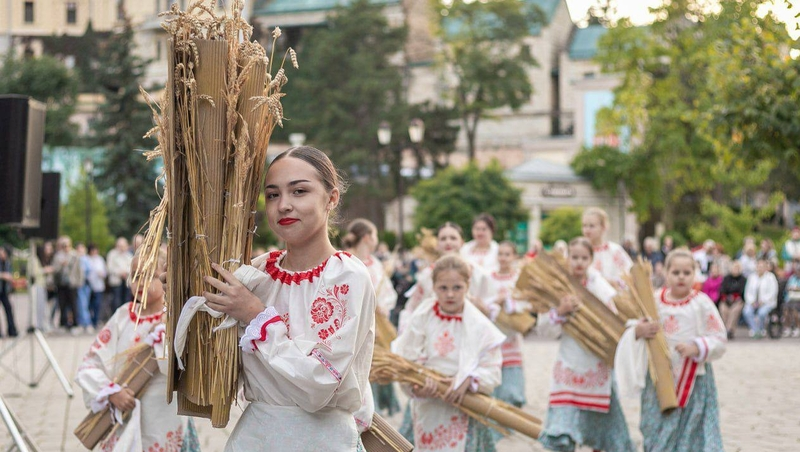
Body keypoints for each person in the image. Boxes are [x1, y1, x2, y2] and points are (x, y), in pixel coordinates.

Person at [196, 146, 375, 450]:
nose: (284, 206)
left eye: (299, 191)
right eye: (273, 195)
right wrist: (188, 291)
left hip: (320, 440)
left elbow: (317, 387)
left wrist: (257, 317)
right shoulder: (257, 273)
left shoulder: (347, 277)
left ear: (331, 198)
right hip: (254, 437)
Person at [75, 250, 200, 451]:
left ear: (168, 276)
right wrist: (110, 391)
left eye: (149, 274)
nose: (140, 282)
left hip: (165, 417)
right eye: (135, 275)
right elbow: (91, 362)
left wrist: (164, 340)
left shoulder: (177, 318)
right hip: (124, 416)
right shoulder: (123, 316)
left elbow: (184, 370)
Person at [616, 248, 726, 452]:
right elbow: (633, 326)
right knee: (655, 425)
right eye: (676, 273)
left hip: (695, 379)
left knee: (693, 426)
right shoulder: (653, 301)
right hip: (659, 377)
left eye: (687, 273)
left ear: (694, 274)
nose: (681, 277)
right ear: (666, 273)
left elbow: (719, 337)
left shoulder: (701, 303)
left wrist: (698, 347)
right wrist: (639, 330)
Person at [392, 254, 505, 452]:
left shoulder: (480, 325)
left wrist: (469, 379)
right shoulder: (422, 317)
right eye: (443, 288)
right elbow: (405, 360)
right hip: (429, 407)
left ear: (467, 286)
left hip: (465, 406)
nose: (450, 294)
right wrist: (417, 385)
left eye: (457, 288)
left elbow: (492, 369)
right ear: (434, 286)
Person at [538, 237, 635, 452]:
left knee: (604, 431)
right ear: (567, 258)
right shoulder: (558, 284)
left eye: (584, 258)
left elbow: (614, 317)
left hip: (597, 361)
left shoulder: (599, 285)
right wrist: (560, 312)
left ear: (591, 259)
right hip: (569, 360)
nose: (579, 262)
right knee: (562, 429)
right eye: (574, 257)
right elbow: (543, 328)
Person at [342, 218, 400, 416]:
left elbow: (388, 292)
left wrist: (383, 306)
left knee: (380, 362)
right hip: (355, 322)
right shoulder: (346, 261)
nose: (376, 240)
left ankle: (379, 407)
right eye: (375, 235)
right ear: (367, 237)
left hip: (378, 323)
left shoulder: (375, 263)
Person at [487, 241, 528, 409]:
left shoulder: (518, 278)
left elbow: (526, 300)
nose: (503, 258)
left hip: (511, 330)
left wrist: (510, 302)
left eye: (507, 254)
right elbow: (484, 299)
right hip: (494, 328)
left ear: (514, 257)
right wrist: (495, 302)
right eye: (500, 254)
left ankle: (512, 401)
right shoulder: (489, 277)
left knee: (511, 367)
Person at [581, 207, 633, 288]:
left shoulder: (614, 250)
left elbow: (629, 274)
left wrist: (614, 283)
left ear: (603, 227)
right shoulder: (579, 251)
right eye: (584, 226)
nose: (587, 230)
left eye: (592, 226)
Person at [52, 236, 83, 333]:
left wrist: (79, 282)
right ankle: (63, 323)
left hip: (72, 283)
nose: (65, 247)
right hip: (61, 283)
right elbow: (55, 270)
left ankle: (75, 324)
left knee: (74, 304)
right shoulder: (57, 256)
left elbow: (79, 270)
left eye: (67, 245)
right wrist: (61, 265)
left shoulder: (74, 255)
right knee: (62, 304)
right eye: (63, 245)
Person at [743, 258, 779, 338]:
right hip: (753, 302)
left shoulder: (770, 277)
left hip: (767, 302)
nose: (760, 268)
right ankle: (755, 330)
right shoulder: (752, 277)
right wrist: (751, 301)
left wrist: (763, 301)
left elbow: (773, 292)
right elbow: (747, 292)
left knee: (761, 313)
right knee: (747, 312)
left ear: (766, 267)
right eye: (758, 266)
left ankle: (761, 329)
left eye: (762, 266)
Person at [719, 261, 747, 339]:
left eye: (737, 268)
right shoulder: (726, 278)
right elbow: (722, 290)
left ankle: (729, 330)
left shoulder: (743, 279)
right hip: (726, 299)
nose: (735, 270)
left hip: (738, 300)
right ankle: (723, 329)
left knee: (734, 311)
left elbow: (742, 292)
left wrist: (735, 298)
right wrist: (726, 298)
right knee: (724, 310)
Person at [85, 244, 108, 331]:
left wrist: (102, 274)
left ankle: (96, 320)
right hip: (89, 285)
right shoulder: (87, 259)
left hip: (99, 286)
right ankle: (90, 321)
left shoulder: (100, 259)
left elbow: (105, 271)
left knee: (97, 304)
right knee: (89, 305)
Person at [107, 237, 133, 311]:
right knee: (116, 300)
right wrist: (120, 273)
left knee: (126, 300)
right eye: (120, 246)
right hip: (116, 281)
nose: (122, 248)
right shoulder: (112, 254)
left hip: (126, 282)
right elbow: (110, 268)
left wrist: (125, 272)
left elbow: (131, 267)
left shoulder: (128, 255)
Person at [0, 246, 18, 338]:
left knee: (9, 309)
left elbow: (10, 274)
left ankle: (12, 330)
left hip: (4, 291)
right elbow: (6, 275)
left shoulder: (7, 263)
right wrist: (3, 275)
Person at [782, 263, 800, 338]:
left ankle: (797, 328)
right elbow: (787, 288)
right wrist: (790, 288)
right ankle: (787, 328)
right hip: (790, 298)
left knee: (794, 310)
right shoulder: (792, 278)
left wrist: (797, 289)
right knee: (786, 310)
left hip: (798, 299)